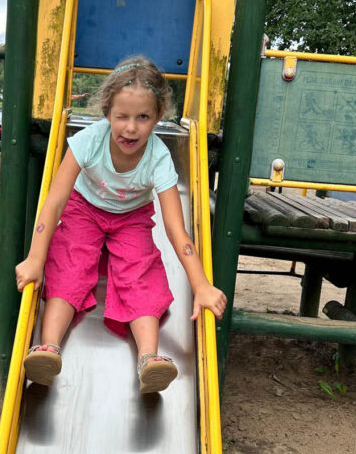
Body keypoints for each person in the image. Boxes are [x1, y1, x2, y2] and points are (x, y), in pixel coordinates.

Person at [15, 55, 227, 394]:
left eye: (143, 117)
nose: (131, 128)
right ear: (107, 112)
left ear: (158, 116)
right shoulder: (89, 140)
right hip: (83, 209)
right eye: (122, 116)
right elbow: (54, 202)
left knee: (141, 271)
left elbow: (176, 229)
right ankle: (48, 348)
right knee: (69, 264)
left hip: (132, 218)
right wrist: (35, 259)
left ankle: (149, 359)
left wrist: (201, 285)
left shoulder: (158, 157)